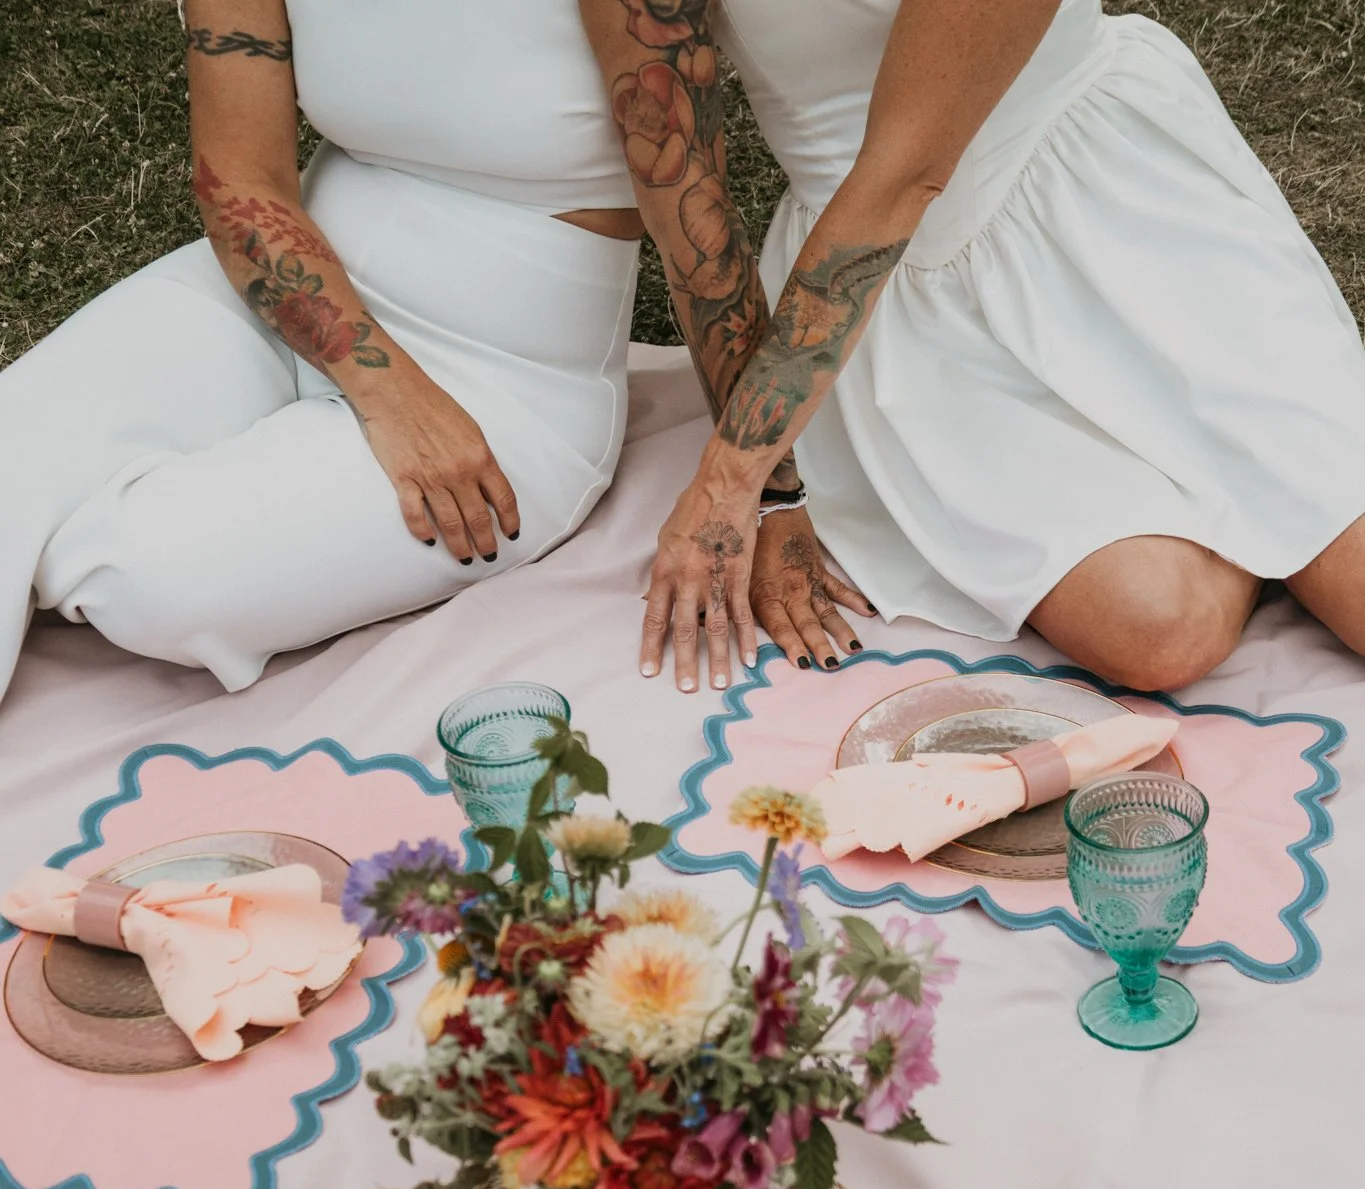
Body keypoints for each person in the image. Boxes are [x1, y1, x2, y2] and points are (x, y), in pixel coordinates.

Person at [579, 0, 1365, 695]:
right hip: (887, 300)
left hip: (1119, 212)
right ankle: (1244, 512)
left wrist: (726, 479)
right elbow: (688, 212)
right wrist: (775, 489)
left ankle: (1249, 495)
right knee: (1158, 632)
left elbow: (905, 175)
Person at [0, 0, 643, 698]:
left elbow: (705, 233)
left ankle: (50, 550)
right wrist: (388, 394)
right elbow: (241, 179)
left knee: (149, 580)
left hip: (505, 377)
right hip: (283, 285)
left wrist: (762, 491)